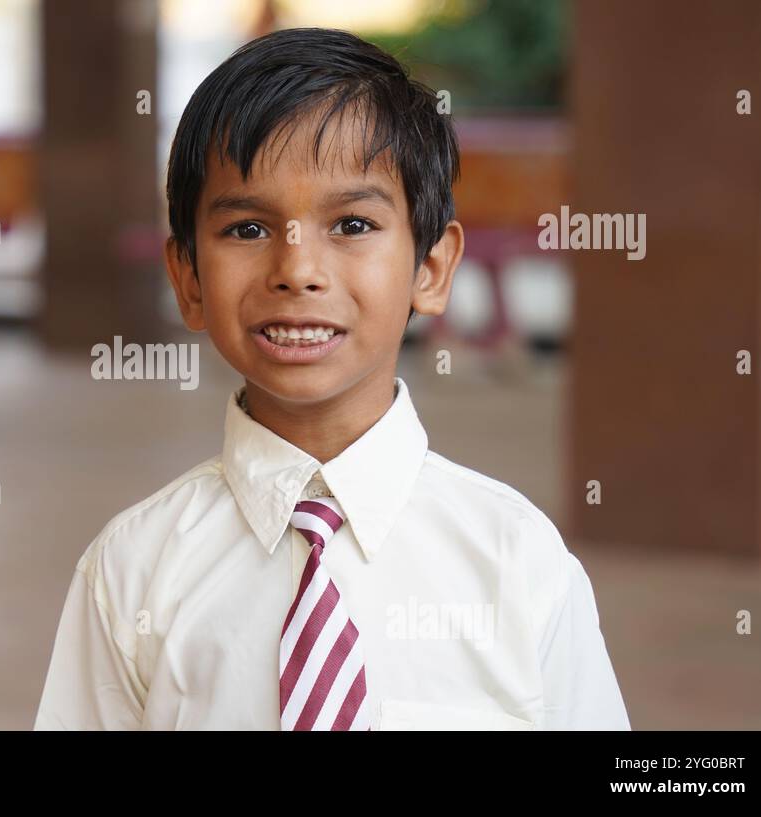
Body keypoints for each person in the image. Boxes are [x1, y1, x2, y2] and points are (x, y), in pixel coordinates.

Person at [35, 27, 630, 730]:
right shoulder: (132, 568)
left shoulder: (516, 559)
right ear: (188, 277)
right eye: (248, 230)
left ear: (431, 269)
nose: (298, 269)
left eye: (351, 223)